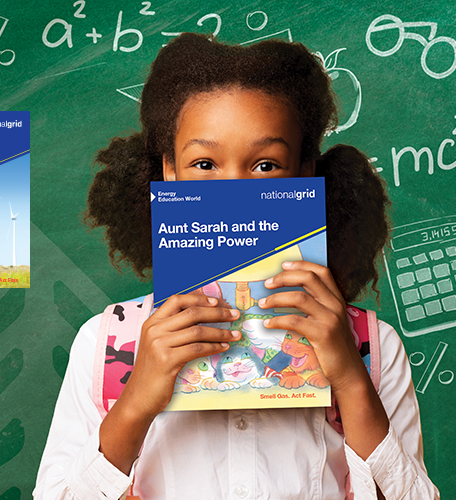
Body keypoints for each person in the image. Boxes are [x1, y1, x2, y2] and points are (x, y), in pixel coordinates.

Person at [34, 34, 439, 499]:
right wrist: (136, 401)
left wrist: (349, 377)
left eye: (265, 165)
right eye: (204, 163)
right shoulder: (106, 345)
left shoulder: (373, 348)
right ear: (169, 171)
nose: (233, 192)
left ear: (306, 172)